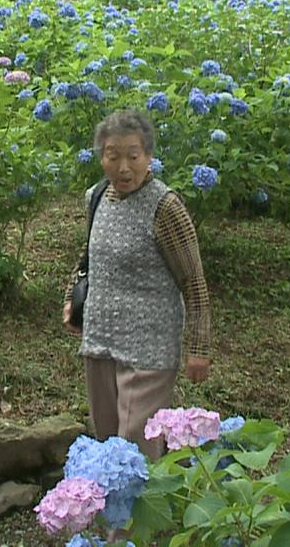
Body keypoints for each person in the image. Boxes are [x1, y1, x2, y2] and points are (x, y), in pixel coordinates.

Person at [62, 110, 212, 459]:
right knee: (106, 439)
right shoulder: (96, 197)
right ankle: (106, 514)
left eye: (134, 155)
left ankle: (146, 513)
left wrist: (199, 348)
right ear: (102, 157)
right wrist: (73, 299)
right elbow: (88, 257)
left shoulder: (166, 207)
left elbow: (194, 281)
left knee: (136, 447)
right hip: (100, 339)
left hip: (149, 347)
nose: (123, 167)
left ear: (149, 156)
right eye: (113, 156)